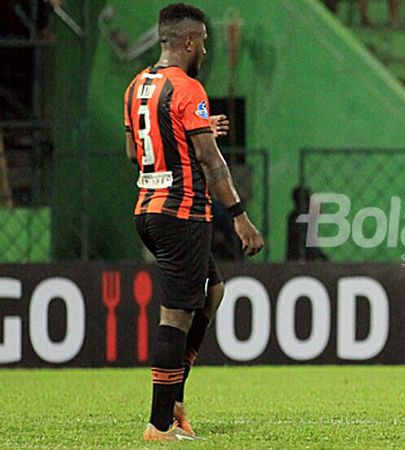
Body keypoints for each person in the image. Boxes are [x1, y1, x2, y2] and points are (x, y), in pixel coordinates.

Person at [124, 3, 264, 440]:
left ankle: (175, 399)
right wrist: (240, 217)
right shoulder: (188, 89)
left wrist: (185, 137)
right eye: (202, 41)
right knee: (175, 317)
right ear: (188, 42)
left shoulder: (137, 86)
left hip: (148, 208)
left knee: (213, 290)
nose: (205, 48)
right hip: (181, 212)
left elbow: (134, 152)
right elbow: (210, 159)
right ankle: (159, 423)